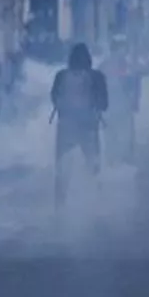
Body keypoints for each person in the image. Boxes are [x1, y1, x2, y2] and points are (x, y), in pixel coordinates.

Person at [50, 43, 109, 206]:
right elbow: (104, 103)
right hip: (89, 126)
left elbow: (54, 98)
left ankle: (59, 205)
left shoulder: (61, 76)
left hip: (66, 126)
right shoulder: (97, 77)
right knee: (93, 166)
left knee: (63, 169)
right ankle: (96, 203)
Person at [99, 34, 141, 165]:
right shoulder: (105, 65)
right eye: (120, 48)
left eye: (124, 48)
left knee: (126, 135)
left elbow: (135, 84)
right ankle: (112, 159)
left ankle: (125, 158)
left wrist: (134, 100)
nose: (123, 51)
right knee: (111, 134)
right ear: (114, 49)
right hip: (110, 106)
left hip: (124, 106)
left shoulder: (128, 65)